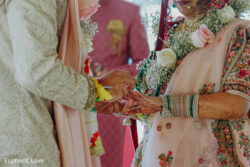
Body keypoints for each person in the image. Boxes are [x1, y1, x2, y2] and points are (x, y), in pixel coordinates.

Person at [98, 0, 250, 166]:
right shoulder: (171, 31)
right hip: (157, 154)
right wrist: (130, 103)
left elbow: (237, 104)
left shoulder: (239, 31)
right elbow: (155, 94)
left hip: (209, 157)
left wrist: (162, 104)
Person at [0, 0, 135, 167]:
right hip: (25, 138)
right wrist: (95, 92)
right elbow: (36, 69)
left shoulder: (128, 10)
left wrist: (96, 95)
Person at [90, 0, 149, 166]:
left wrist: (109, 71)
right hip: (74, 98)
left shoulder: (129, 11)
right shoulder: (70, 8)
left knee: (109, 159)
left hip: (110, 102)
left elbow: (144, 62)